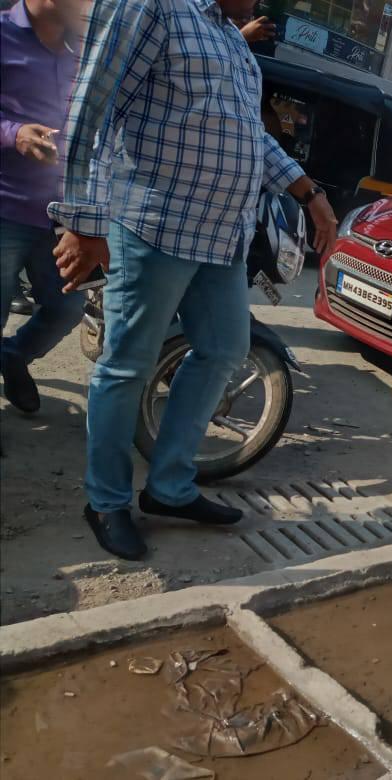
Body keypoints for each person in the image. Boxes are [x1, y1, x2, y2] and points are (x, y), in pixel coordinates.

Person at [49, 0, 338, 561]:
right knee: (128, 364)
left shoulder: (230, 38)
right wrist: (82, 220)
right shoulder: (154, 7)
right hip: (154, 224)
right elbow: (91, 105)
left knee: (225, 350)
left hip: (221, 237)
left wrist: (310, 192)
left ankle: (169, 487)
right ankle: (105, 501)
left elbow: (250, 135)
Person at [0, 0, 81, 414]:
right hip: (5, 209)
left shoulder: (83, 53)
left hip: (60, 219)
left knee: (68, 307)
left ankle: (13, 355)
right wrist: (14, 134)